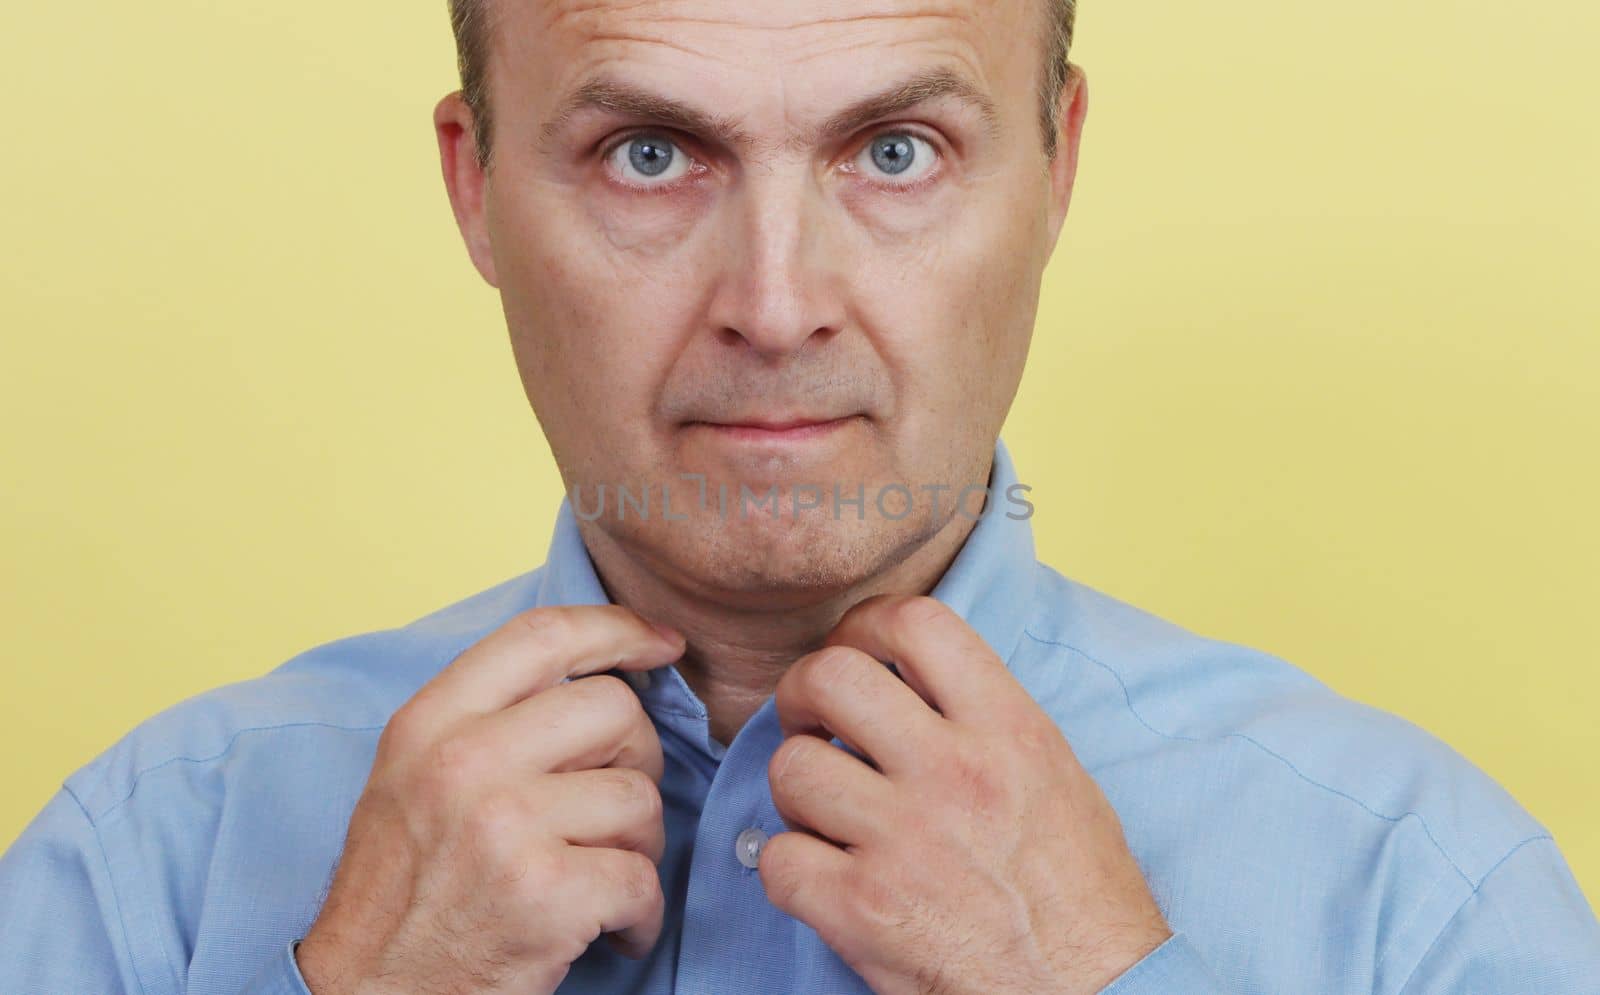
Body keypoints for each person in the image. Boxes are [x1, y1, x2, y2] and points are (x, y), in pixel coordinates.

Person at [4, 0, 1599, 991]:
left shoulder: (1421, 898)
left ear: (1058, 160)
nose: (776, 306)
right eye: (649, 156)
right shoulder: (149, 863)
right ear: (476, 187)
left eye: (894, 151)